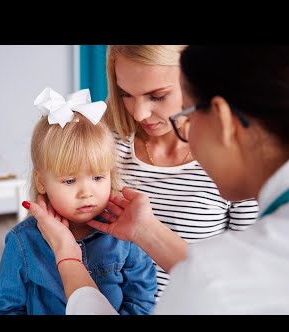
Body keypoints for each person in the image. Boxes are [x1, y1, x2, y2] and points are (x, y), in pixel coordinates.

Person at [25, 46, 289, 314]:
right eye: (127, 95)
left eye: (186, 119)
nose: (142, 113)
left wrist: (67, 257)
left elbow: (211, 282)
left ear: (222, 119)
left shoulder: (217, 281)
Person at [104, 45, 259, 299]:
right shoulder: (106, 143)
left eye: (157, 96)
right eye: (126, 94)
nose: (140, 113)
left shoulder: (235, 162)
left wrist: (147, 231)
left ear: (196, 79)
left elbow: (245, 285)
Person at [0, 87, 157, 315]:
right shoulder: (22, 242)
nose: (86, 193)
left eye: (98, 177)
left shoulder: (125, 237)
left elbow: (141, 300)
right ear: (41, 182)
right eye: (69, 181)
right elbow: (5, 309)